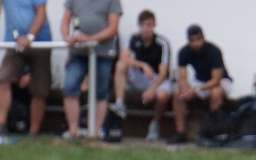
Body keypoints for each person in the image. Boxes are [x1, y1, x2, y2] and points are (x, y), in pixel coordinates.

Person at [0, 0, 52, 136]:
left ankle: (33, 133)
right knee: (5, 78)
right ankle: (0, 125)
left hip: (40, 42)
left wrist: (30, 37)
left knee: (40, 89)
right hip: (15, 43)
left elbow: (41, 13)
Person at [61, 0, 122, 140]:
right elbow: (65, 21)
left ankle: (95, 134)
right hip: (78, 52)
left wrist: (90, 39)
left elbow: (113, 28)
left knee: (100, 92)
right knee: (70, 87)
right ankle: (73, 131)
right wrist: (67, 37)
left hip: (102, 53)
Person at [109, 9, 171, 141]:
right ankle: (120, 103)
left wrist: (151, 90)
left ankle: (155, 124)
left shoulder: (162, 43)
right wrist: (143, 65)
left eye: (149, 25)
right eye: (143, 25)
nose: (146, 29)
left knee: (162, 95)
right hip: (140, 76)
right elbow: (124, 58)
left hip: (156, 79)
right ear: (139, 26)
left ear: (154, 25)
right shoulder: (133, 38)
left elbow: (163, 72)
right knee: (120, 65)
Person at [170, 25, 231, 145]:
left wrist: (196, 89)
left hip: (220, 81)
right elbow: (182, 77)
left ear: (203, 38)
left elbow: (216, 80)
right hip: (200, 80)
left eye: (198, 40)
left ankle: (214, 132)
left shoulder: (214, 51)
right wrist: (185, 88)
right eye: (193, 41)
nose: (196, 44)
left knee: (215, 93)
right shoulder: (183, 52)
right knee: (178, 94)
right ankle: (180, 133)